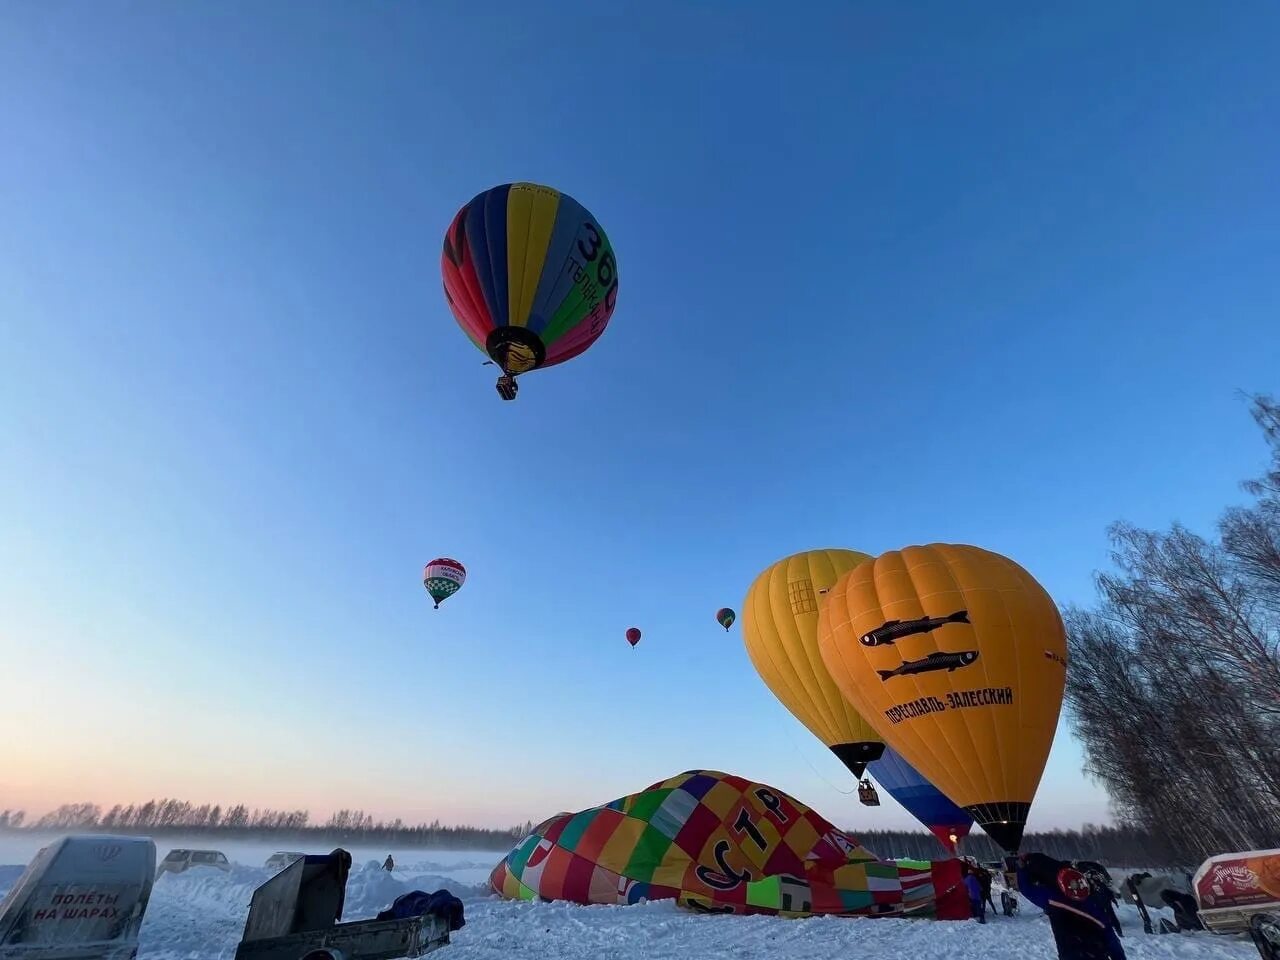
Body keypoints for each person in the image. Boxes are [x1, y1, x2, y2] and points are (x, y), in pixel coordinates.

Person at [1018, 852, 1125, 960]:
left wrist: (1022, 868)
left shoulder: (1054, 899)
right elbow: (1113, 942)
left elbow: (1026, 889)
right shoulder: (1094, 907)